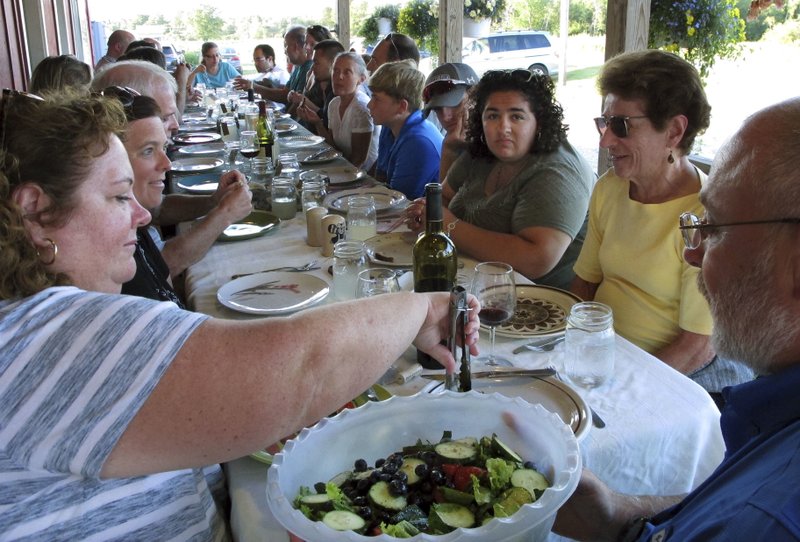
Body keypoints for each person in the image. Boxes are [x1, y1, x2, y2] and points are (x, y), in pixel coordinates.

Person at [0, 89, 481, 538]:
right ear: (37, 213)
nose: (143, 216)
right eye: (118, 197)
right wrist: (419, 308)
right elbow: (300, 368)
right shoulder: (40, 338)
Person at [533, 96, 800, 542]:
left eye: (712, 226)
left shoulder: (767, 520)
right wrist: (623, 518)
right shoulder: (773, 418)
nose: (693, 253)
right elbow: (719, 503)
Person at [571, 50, 752, 395]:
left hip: (670, 377)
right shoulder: (610, 189)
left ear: (673, 131)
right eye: (604, 123)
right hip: (603, 361)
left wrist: (621, 391)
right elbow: (584, 285)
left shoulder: (705, 217)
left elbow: (697, 347)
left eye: (620, 126)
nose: (605, 140)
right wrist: (574, 350)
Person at [406, 69, 594, 289]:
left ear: (539, 122)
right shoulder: (482, 152)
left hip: (538, 302)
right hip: (473, 281)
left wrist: (448, 226)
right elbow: (443, 200)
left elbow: (536, 259)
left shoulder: (557, 171)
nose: (503, 128)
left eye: (516, 116)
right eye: (492, 115)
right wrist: (426, 214)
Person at [109, 87, 252, 303]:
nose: (167, 164)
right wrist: (224, 213)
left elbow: (160, 210)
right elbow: (165, 265)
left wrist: (214, 201)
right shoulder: (113, 235)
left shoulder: (137, 222)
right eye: (148, 150)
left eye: (163, 148)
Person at [367, 60, 443, 200]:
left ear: (402, 106)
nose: (369, 105)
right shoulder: (390, 126)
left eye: (376, 99)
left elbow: (397, 201)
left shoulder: (418, 142)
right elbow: (380, 176)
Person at [298, 52, 380, 170]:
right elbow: (333, 147)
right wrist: (317, 122)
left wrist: (335, 178)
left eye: (347, 72)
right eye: (335, 71)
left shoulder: (361, 108)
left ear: (361, 79)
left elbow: (359, 160)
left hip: (362, 175)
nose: (339, 76)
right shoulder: (334, 104)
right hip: (342, 166)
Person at [422, 62, 479, 179]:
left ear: (475, 98)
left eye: (455, 104)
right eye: (437, 109)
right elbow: (444, 196)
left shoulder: (495, 143)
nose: (446, 117)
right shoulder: (453, 140)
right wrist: (448, 150)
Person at [292, 39, 344, 128]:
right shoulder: (320, 85)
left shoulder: (339, 92)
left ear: (333, 63)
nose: (312, 68)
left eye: (316, 63)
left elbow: (327, 121)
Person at [254, 27, 311, 104]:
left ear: (296, 46)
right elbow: (286, 92)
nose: (285, 51)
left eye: (286, 46)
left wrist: (253, 87)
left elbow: (286, 97)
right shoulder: (297, 67)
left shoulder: (308, 68)